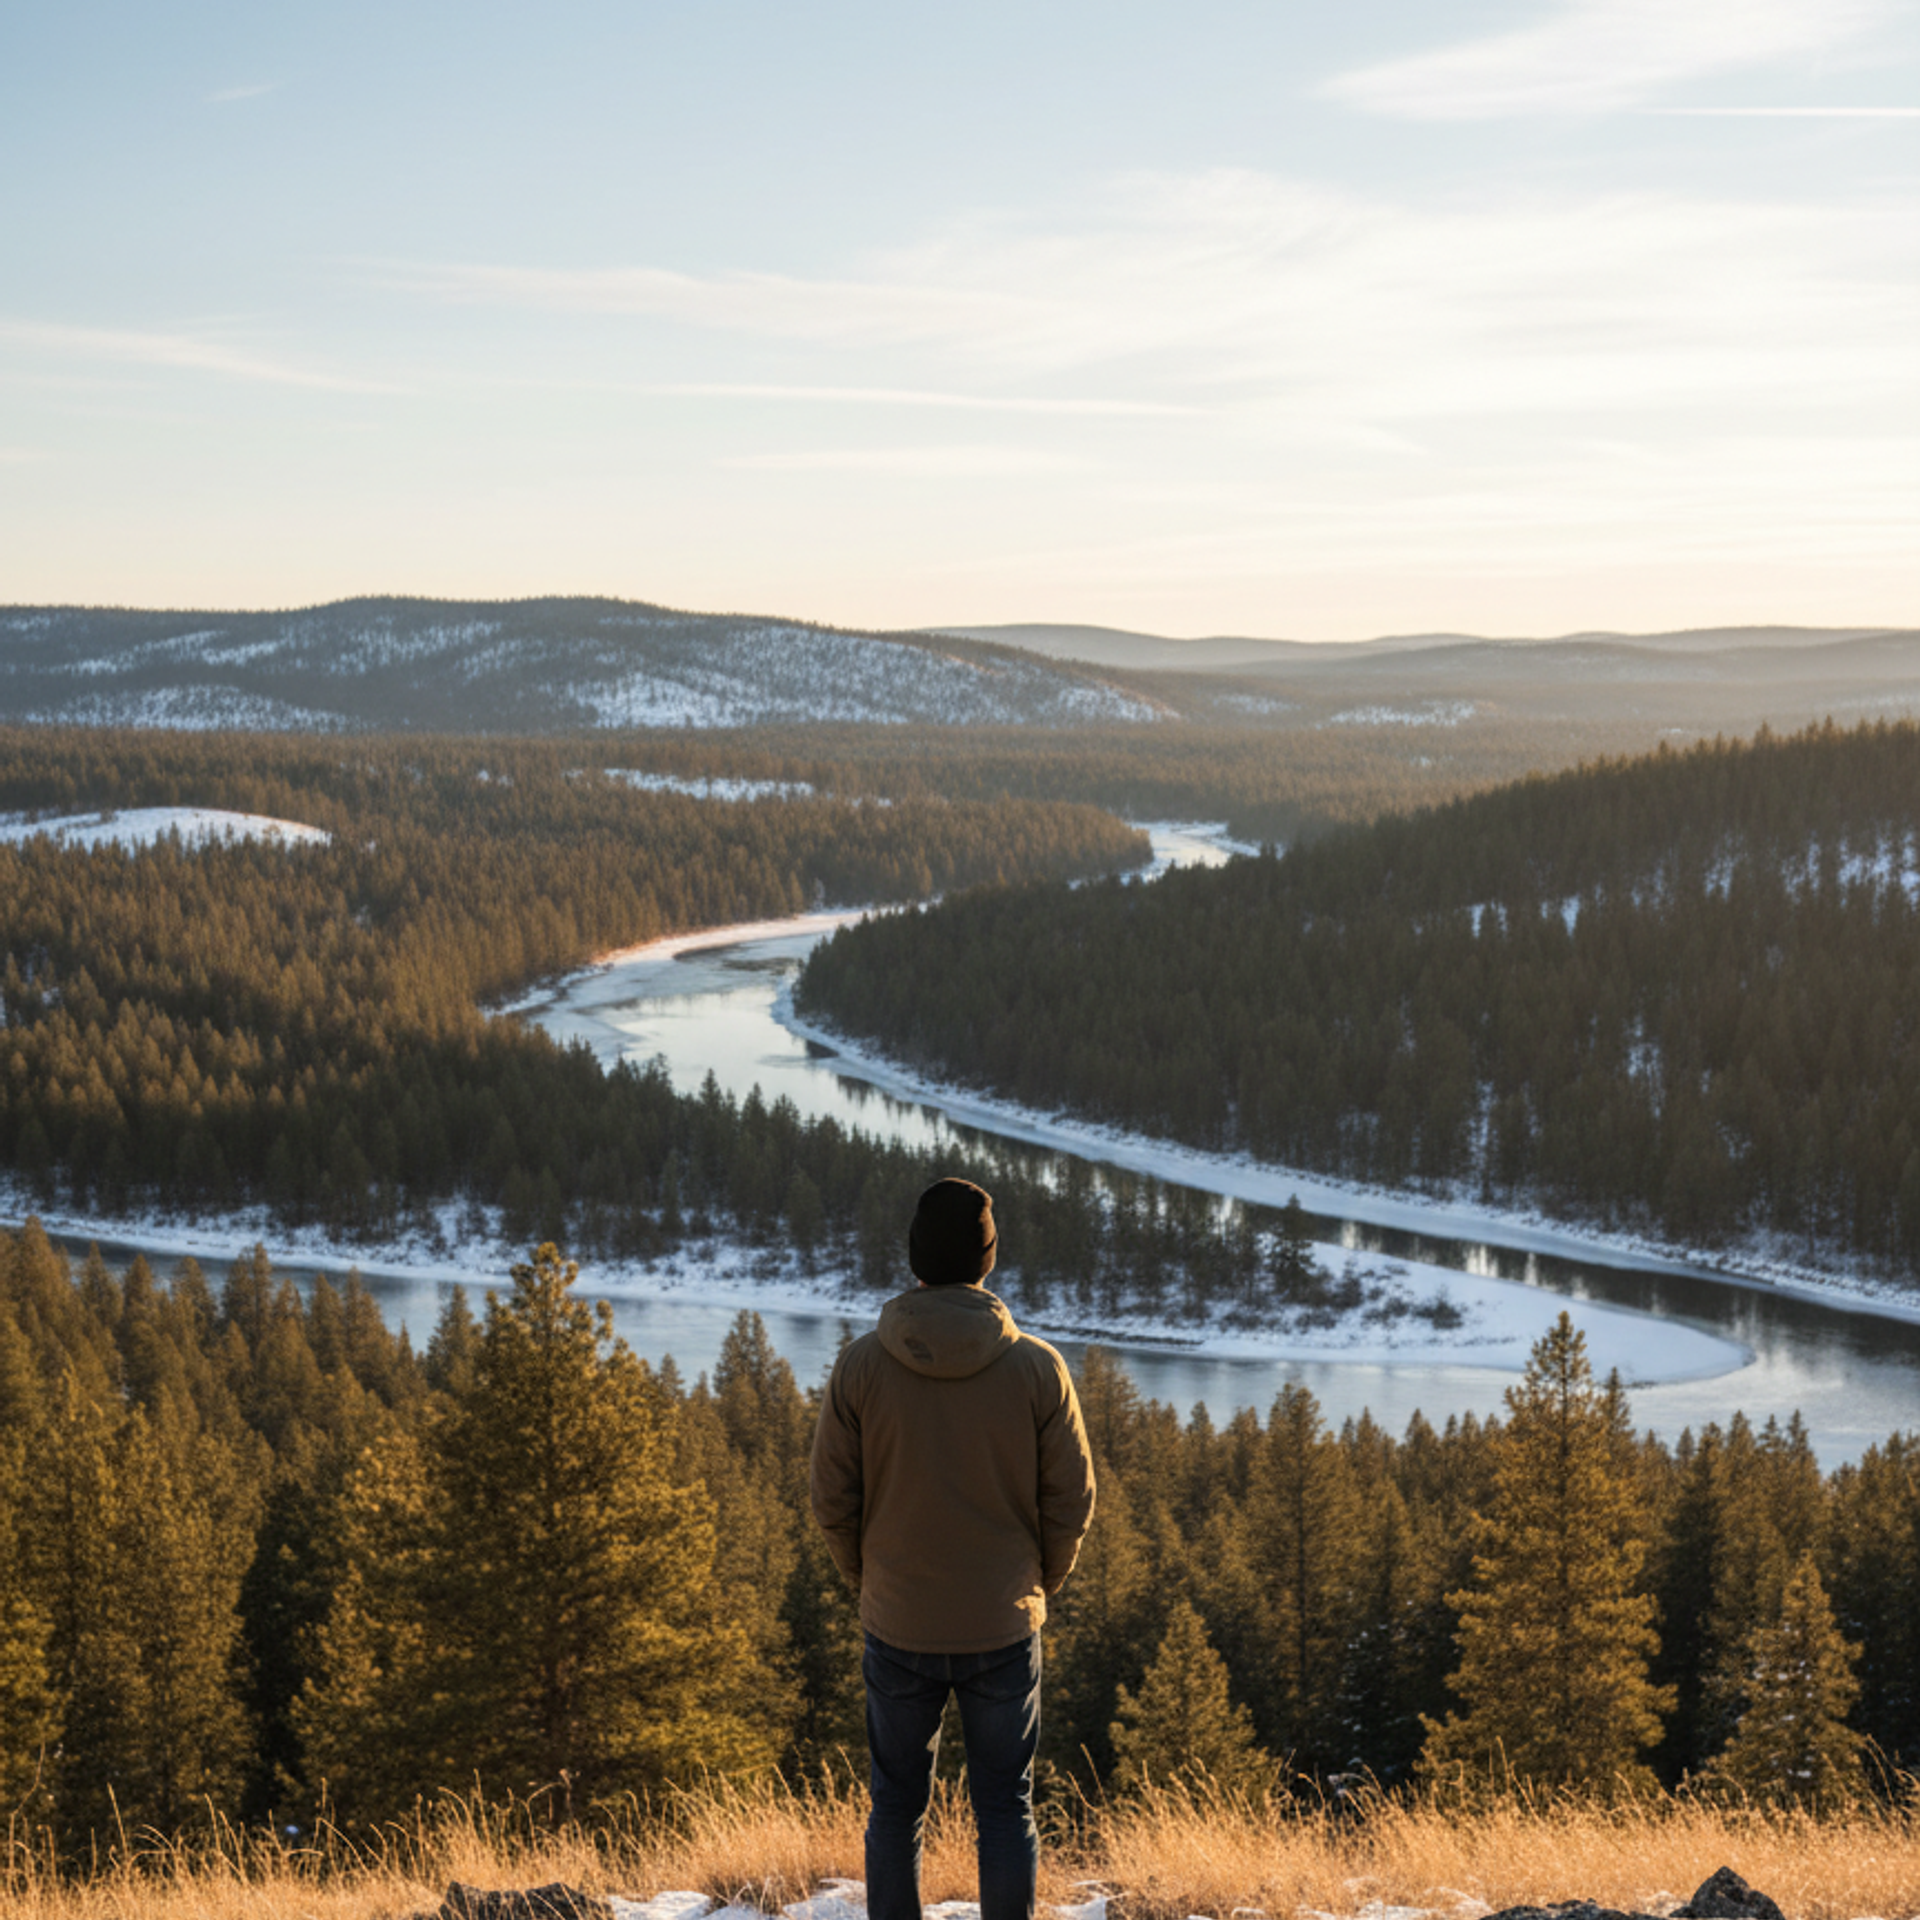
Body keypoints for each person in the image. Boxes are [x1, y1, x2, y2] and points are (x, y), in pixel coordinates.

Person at [810, 1177, 1097, 1920]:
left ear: (916, 1261)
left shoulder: (862, 1366)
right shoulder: (1037, 1368)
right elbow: (1073, 1500)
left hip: (898, 1620)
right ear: (987, 1262)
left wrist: (870, 1581)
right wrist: (1038, 1584)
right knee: (1005, 1807)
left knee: (896, 1809)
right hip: (1004, 1623)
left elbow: (831, 1503)